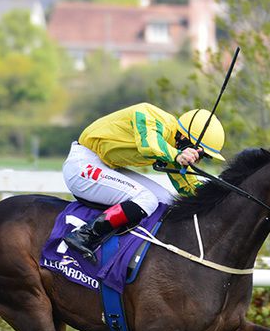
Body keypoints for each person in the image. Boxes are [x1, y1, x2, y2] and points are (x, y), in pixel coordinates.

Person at [61, 103, 226, 263]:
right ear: (184, 138)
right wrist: (177, 155)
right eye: (199, 154)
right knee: (146, 199)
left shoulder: (173, 148)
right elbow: (149, 144)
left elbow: (188, 187)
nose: (197, 160)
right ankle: (85, 235)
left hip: (106, 166)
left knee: (167, 201)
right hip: (81, 165)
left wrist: (222, 197)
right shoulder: (149, 115)